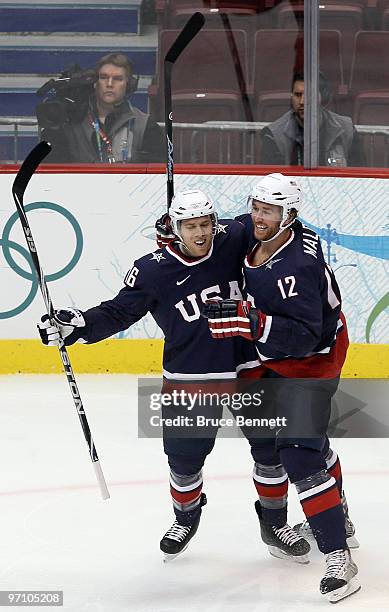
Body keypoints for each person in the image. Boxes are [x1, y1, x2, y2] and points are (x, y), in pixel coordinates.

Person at [37, 189, 310, 563]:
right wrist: (79, 325)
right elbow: (118, 312)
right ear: (175, 228)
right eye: (190, 226)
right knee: (184, 460)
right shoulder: (152, 270)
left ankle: (275, 522)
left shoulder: (234, 238)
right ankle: (186, 517)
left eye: (205, 225)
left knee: (270, 451)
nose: (200, 234)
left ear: (216, 224)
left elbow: (273, 221)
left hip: (251, 368)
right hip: (190, 377)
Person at [203, 173, 361, 603]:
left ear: (288, 216)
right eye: (255, 207)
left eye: (267, 211)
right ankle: (338, 517)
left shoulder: (297, 267)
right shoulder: (263, 234)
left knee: (298, 454)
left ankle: (339, 557)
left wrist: (252, 322)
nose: (257, 217)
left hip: (312, 360)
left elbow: (307, 337)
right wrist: (176, 234)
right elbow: (225, 230)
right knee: (305, 443)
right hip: (275, 358)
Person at [38, 52, 164, 163]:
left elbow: (156, 176)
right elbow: (51, 169)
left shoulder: (145, 125)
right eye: (103, 77)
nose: (109, 84)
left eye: (117, 79)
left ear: (129, 85)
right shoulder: (69, 121)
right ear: (94, 82)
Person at [260, 72, 365, 167]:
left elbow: (360, 176)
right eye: (297, 95)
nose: (302, 102)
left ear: (322, 97)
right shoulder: (274, 135)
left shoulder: (347, 130)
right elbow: (272, 182)